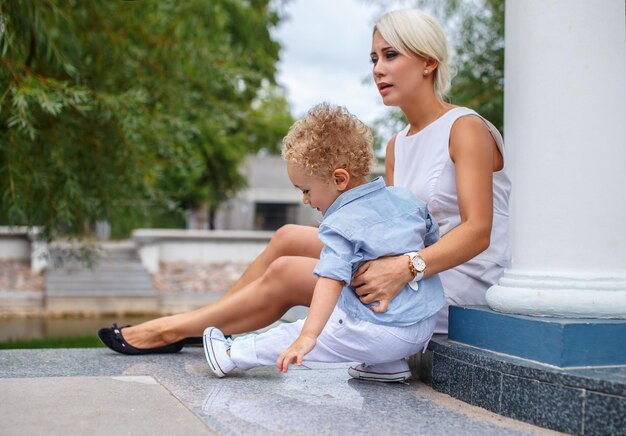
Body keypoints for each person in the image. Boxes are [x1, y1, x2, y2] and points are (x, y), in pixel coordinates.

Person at [98, 8, 510, 382]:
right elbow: (391, 223)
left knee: (285, 273)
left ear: (428, 62)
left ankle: (171, 329)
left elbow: (478, 232)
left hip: (445, 285)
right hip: (404, 265)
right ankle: (207, 324)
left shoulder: (465, 129)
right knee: (287, 238)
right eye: (373, 59)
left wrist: (406, 267)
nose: (378, 70)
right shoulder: (397, 144)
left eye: (390, 56)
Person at [202, 103, 445, 379]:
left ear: (339, 179)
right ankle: (386, 365)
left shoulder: (340, 224)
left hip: (378, 331)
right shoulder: (406, 200)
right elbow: (432, 241)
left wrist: (308, 335)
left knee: (303, 330)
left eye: (306, 190)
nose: (305, 200)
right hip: (422, 326)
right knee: (359, 303)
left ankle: (232, 355)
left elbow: (330, 280)